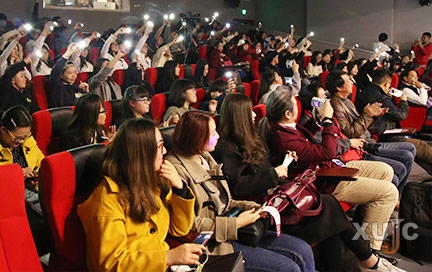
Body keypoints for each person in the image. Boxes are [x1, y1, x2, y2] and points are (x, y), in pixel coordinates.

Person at [213, 94, 406, 272]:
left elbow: (265, 163)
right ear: (240, 116)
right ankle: (369, 259)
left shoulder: (252, 138)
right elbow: (240, 186)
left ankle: (365, 260)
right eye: (249, 112)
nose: (254, 115)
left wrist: (283, 160)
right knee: (329, 206)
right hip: (268, 206)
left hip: (283, 193)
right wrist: (274, 173)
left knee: (330, 213)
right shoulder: (228, 148)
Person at [169, 111, 318, 272]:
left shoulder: (205, 157)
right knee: (289, 268)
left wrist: (252, 207)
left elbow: (226, 201)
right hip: (216, 243)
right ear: (196, 138)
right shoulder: (176, 171)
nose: (217, 136)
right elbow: (191, 225)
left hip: (235, 227)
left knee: (303, 250)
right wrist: (237, 223)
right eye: (212, 133)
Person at [261, 86, 399, 253]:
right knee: (389, 193)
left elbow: (306, 140)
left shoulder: (284, 127)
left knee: (385, 170)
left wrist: (317, 120)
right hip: (322, 180)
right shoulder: (283, 140)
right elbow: (327, 152)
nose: (298, 107)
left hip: (328, 168)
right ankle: (370, 251)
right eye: (295, 105)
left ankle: (362, 228)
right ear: (288, 114)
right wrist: (328, 120)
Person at [78, 118, 201, 271]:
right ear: (141, 154)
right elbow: (111, 264)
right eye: (159, 146)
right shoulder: (107, 199)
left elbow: (179, 229)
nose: (164, 151)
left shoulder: (154, 182)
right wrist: (167, 257)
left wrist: (180, 189)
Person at [0, 106, 52, 255]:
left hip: (34, 193)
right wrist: (15, 178)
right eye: (17, 138)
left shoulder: (28, 141)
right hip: (5, 202)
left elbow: (42, 163)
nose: (21, 141)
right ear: (3, 130)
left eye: (25, 136)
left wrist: (34, 176)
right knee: (40, 227)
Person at [321, 71, 416, 196]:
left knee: (410, 149)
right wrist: (368, 115)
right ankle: (394, 197)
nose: (351, 82)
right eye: (348, 80)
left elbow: (358, 124)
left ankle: (397, 196)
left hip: (368, 140)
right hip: (362, 146)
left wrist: (372, 115)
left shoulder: (347, 101)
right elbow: (350, 132)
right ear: (339, 87)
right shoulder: (335, 104)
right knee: (405, 158)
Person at [355, 69, 432, 176]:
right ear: (386, 84)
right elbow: (400, 115)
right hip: (385, 134)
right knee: (421, 146)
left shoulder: (364, 92)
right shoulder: (380, 97)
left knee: (417, 151)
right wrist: (403, 101)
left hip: (374, 131)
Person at [48, 42, 90, 107]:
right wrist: (68, 53)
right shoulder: (56, 85)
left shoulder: (74, 86)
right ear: (61, 75)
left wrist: (85, 92)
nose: (73, 76)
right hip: (63, 112)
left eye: (75, 72)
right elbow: (56, 70)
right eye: (70, 73)